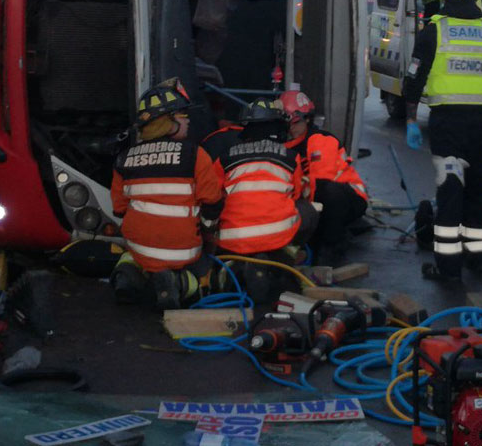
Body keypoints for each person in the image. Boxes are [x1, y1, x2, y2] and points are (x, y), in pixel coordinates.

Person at [403, 0, 482, 281]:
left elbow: (414, 79)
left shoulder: (433, 32)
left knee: (451, 192)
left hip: (447, 125)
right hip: (481, 125)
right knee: (477, 190)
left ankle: (448, 268)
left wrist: (411, 120)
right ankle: (479, 258)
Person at [110, 78, 224, 310]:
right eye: (184, 116)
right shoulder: (195, 154)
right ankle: (180, 283)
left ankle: (128, 277)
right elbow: (213, 201)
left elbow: (119, 209)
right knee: (202, 279)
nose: (188, 121)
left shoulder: (123, 158)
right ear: (168, 122)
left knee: (129, 255)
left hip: (140, 248)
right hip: (184, 251)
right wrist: (208, 232)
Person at [215, 98, 318, 302]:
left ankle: (238, 266)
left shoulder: (224, 158)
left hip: (231, 241)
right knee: (308, 210)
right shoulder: (290, 157)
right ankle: (285, 255)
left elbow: (212, 196)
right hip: (276, 239)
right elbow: (296, 195)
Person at [278, 90, 368, 265]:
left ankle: (332, 248)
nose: (292, 128)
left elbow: (319, 182)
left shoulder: (320, 140)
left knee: (325, 192)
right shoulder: (287, 145)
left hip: (348, 197)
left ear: (308, 119)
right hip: (320, 198)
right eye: (287, 123)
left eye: (296, 123)